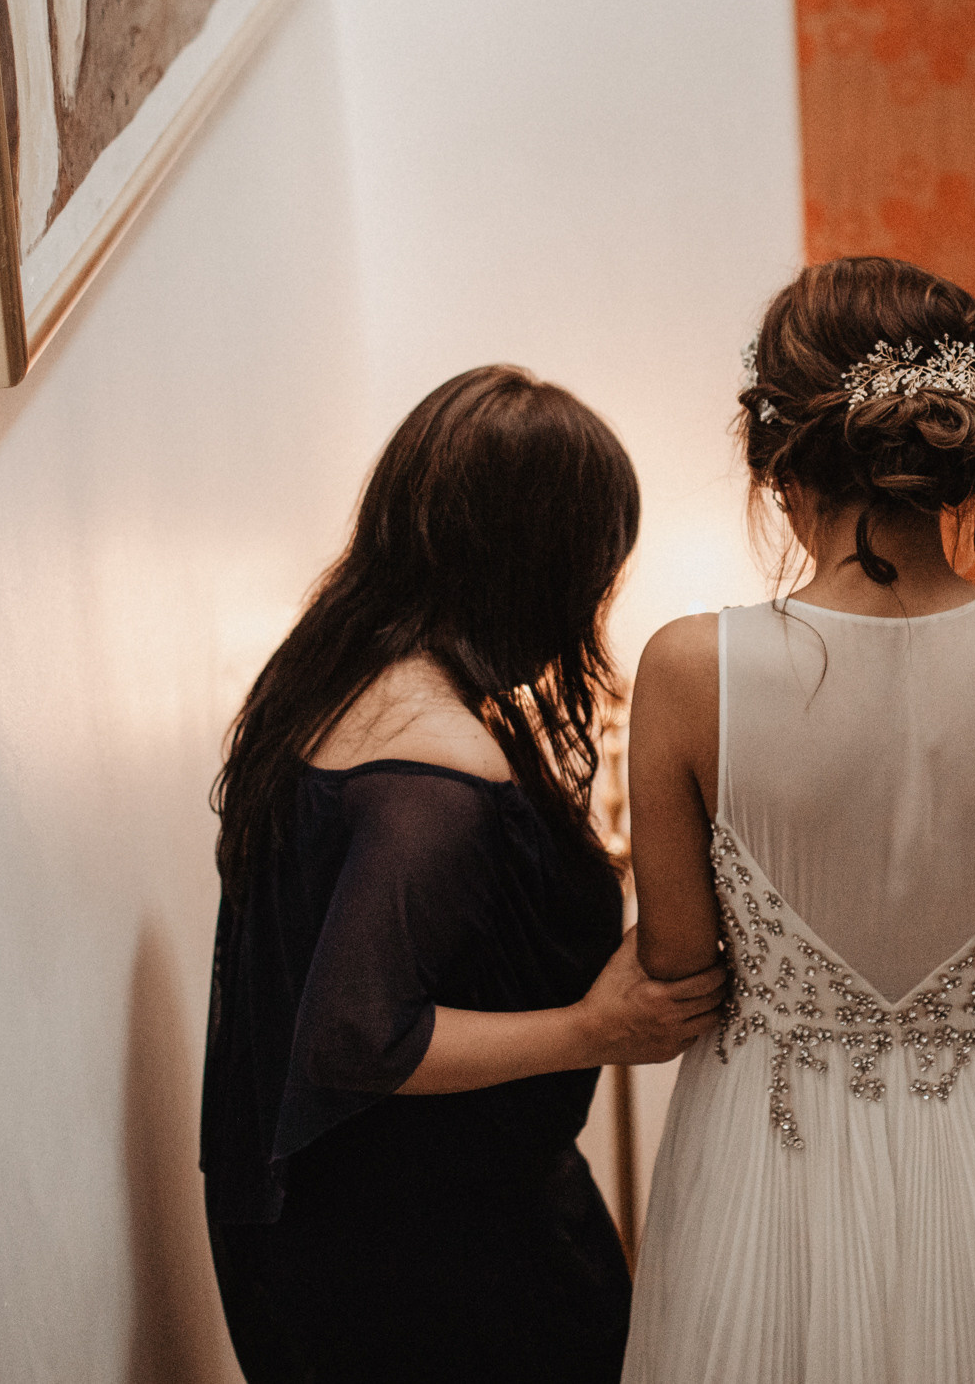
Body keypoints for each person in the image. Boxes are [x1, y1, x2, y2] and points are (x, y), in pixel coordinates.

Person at [621, 258, 975, 1384]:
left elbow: (676, 968)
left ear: (776, 459)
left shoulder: (684, 668)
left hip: (769, 1148)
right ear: (965, 450)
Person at [199, 365, 727, 1384]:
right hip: (426, 1254)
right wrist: (595, 1028)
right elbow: (355, 1031)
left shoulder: (332, 671)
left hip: (332, 1218)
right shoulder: (432, 766)